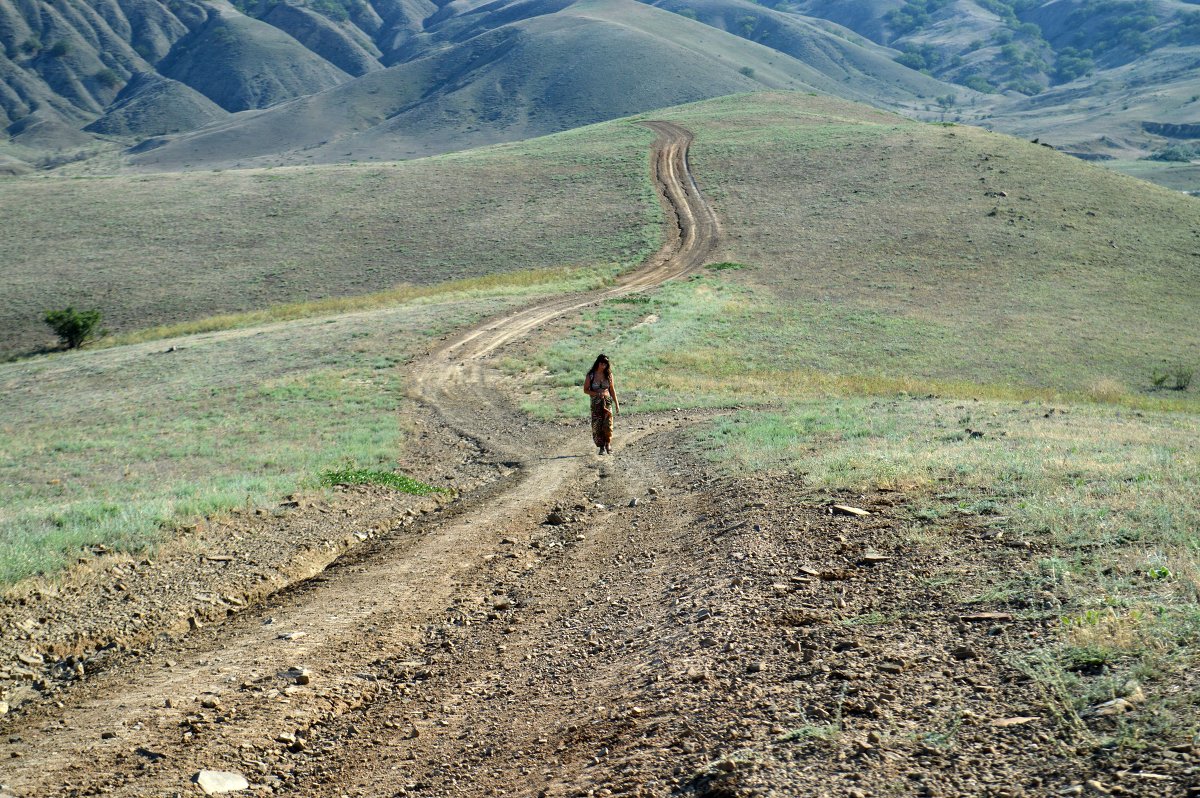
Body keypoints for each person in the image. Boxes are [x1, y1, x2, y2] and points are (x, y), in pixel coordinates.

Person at [583, 354, 619, 454]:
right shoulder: (591, 375)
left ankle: (608, 444)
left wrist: (616, 404)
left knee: (608, 424)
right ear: (598, 363)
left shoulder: (609, 375)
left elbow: (612, 389)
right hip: (596, 403)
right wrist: (597, 393)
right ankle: (601, 447)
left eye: (606, 364)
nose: (603, 366)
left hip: (607, 402)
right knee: (597, 425)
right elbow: (585, 390)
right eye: (602, 363)